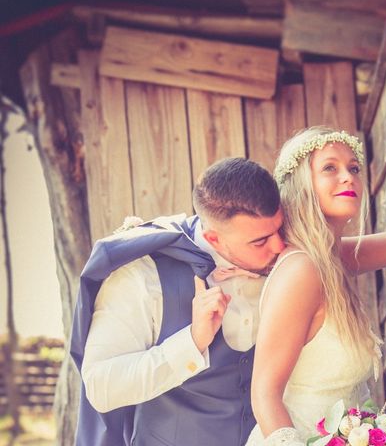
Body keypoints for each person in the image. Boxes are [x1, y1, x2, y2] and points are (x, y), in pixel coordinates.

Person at [245, 127, 386, 446]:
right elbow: (264, 392)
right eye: (330, 168)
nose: (347, 177)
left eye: (353, 168)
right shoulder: (302, 269)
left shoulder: (330, 258)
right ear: (300, 184)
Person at [71, 158, 286, 446]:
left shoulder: (286, 265)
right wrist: (192, 342)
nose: (279, 246)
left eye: (279, 230)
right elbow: (101, 385)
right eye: (260, 241)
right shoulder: (142, 276)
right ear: (214, 238)